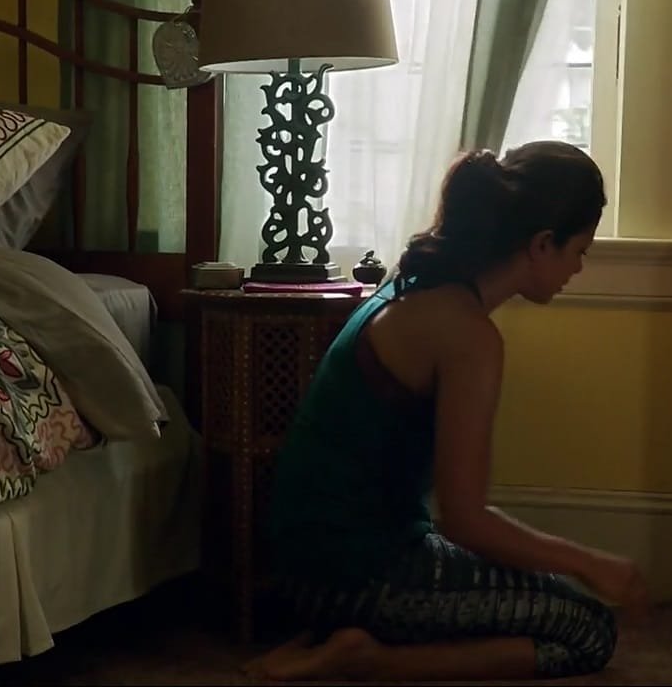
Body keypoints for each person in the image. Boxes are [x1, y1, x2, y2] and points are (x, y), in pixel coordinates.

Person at [246, 140, 649, 682]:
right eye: (579, 250)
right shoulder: (467, 334)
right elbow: (465, 519)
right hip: (358, 577)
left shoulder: (413, 285)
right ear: (541, 244)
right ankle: (369, 658)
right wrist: (590, 563)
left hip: (307, 566)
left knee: (528, 594)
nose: (578, 267)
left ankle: (332, 636)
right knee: (589, 629)